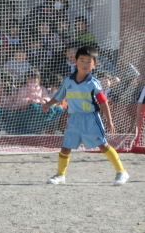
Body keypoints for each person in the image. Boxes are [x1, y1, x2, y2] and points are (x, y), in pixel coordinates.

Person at [42, 45, 129, 186]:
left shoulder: (94, 83)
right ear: (75, 61)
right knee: (66, 147)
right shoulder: (68, 81)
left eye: (89, 61)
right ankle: (60, 175)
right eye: (82, 60)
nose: (85, 64)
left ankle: (121, 172)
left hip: (91, 119)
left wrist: (110, 121)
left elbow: (103, 103)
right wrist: (48, 104)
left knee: (102, 145)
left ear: (95, 65)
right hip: (73, 119)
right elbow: (59, 96)